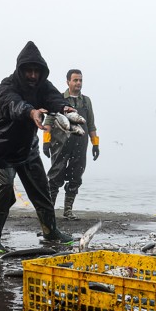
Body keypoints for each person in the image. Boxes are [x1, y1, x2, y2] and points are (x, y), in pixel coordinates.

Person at [0, 41, 75, 252]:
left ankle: (51, 231)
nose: (33, 75)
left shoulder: (43, 86)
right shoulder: (6, 86)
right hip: (0, 147)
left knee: (41, 189)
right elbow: (14, 105)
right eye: (28, 71)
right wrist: (32, 112)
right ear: (20, 70)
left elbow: (54, 98)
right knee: (4, 189)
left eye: (36, 71)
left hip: (27, 147)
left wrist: (65, 108)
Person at [42, 69, 99, 220]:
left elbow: (91, 124)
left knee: (76, 177)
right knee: (55, 177)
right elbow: (48, 121)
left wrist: (95, 144)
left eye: (80, 80)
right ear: (68, 82)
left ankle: (68, 211)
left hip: (80, 144)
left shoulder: (86, 101)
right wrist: (46, 142)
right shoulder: (58, 99)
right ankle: (49, 212)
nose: (78, 83)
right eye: (75, 80)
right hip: (60, 144)